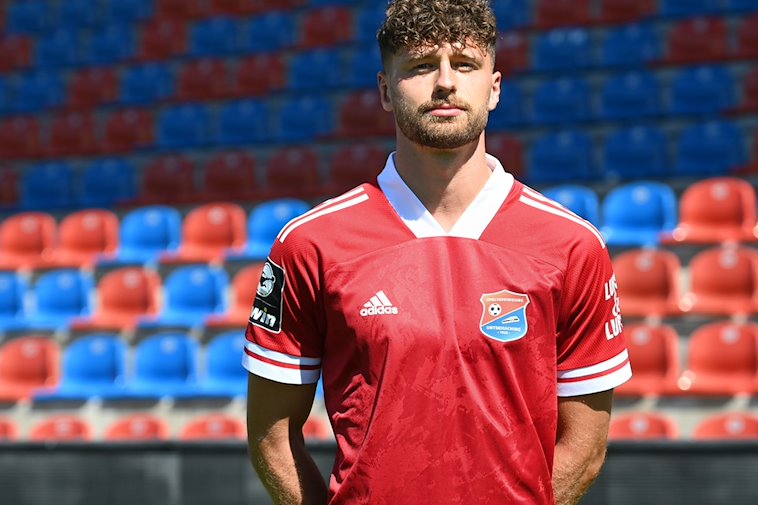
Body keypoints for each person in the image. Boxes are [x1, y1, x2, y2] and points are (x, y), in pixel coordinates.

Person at [244, 0, 632, 503]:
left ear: (494, 88)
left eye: (465, 65)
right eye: (422, 66)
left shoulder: (572, 245)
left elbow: (585, 445)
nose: (445, 82)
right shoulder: (310, 244)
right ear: (386, 90)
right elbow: (272, 437)